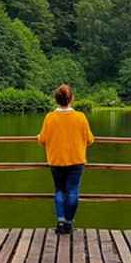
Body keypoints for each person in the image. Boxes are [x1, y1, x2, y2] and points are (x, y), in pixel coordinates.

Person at [37, 84, 94, 234]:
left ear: (56, 100)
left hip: (56, 160)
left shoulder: (50, 117)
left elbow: (42, 139)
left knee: (60, 190)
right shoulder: (80, 117)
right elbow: (89, 139)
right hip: (76, 160)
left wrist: (39, 137)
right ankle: (69, 222)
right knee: (73, 191)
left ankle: (61, 221)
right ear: (72, 99)